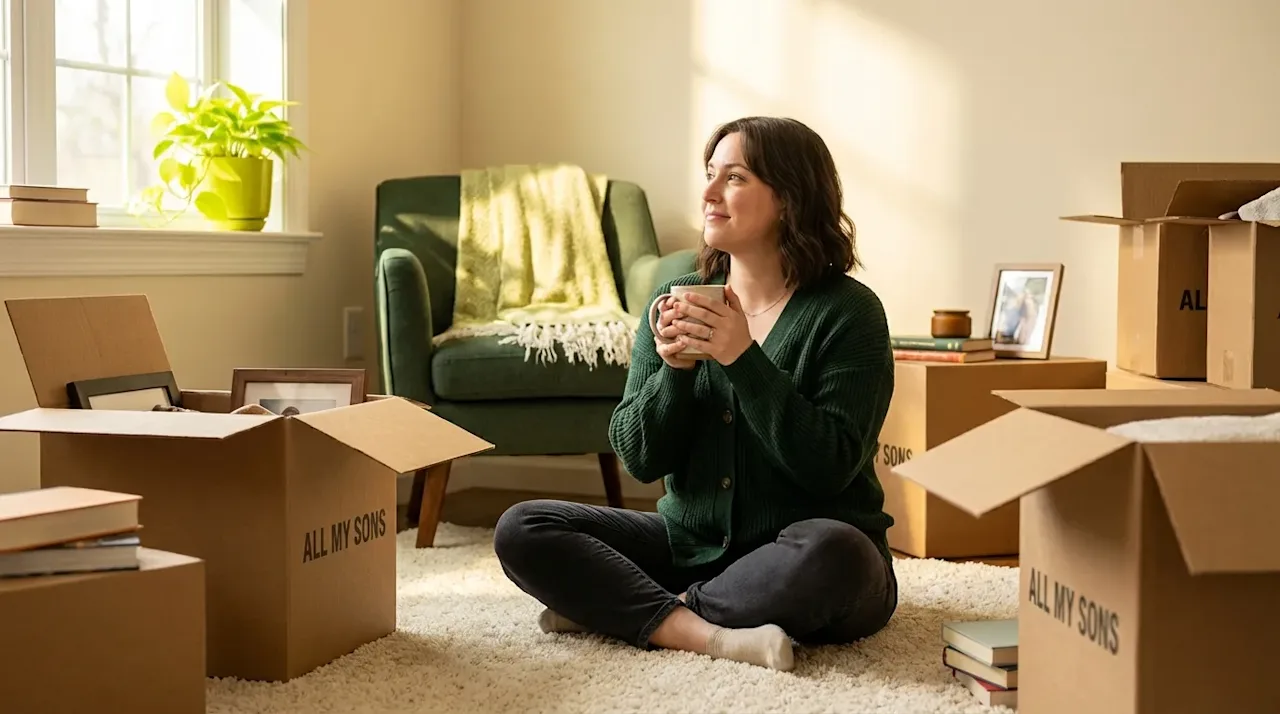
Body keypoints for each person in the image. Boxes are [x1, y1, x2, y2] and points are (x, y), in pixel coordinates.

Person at [493, 116, 898, 672]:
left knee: (840, 551)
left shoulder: (849, 313)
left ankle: (635, 613)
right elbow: (639, 458)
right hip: (691, 549)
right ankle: (703, 630)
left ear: (789, 198)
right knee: (525, 526)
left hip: (796, 557)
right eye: (709, 174)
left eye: (734, 178)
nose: (708, 193)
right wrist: (675, 374)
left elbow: (828, 467)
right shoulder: (675, 300)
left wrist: (741, 358)